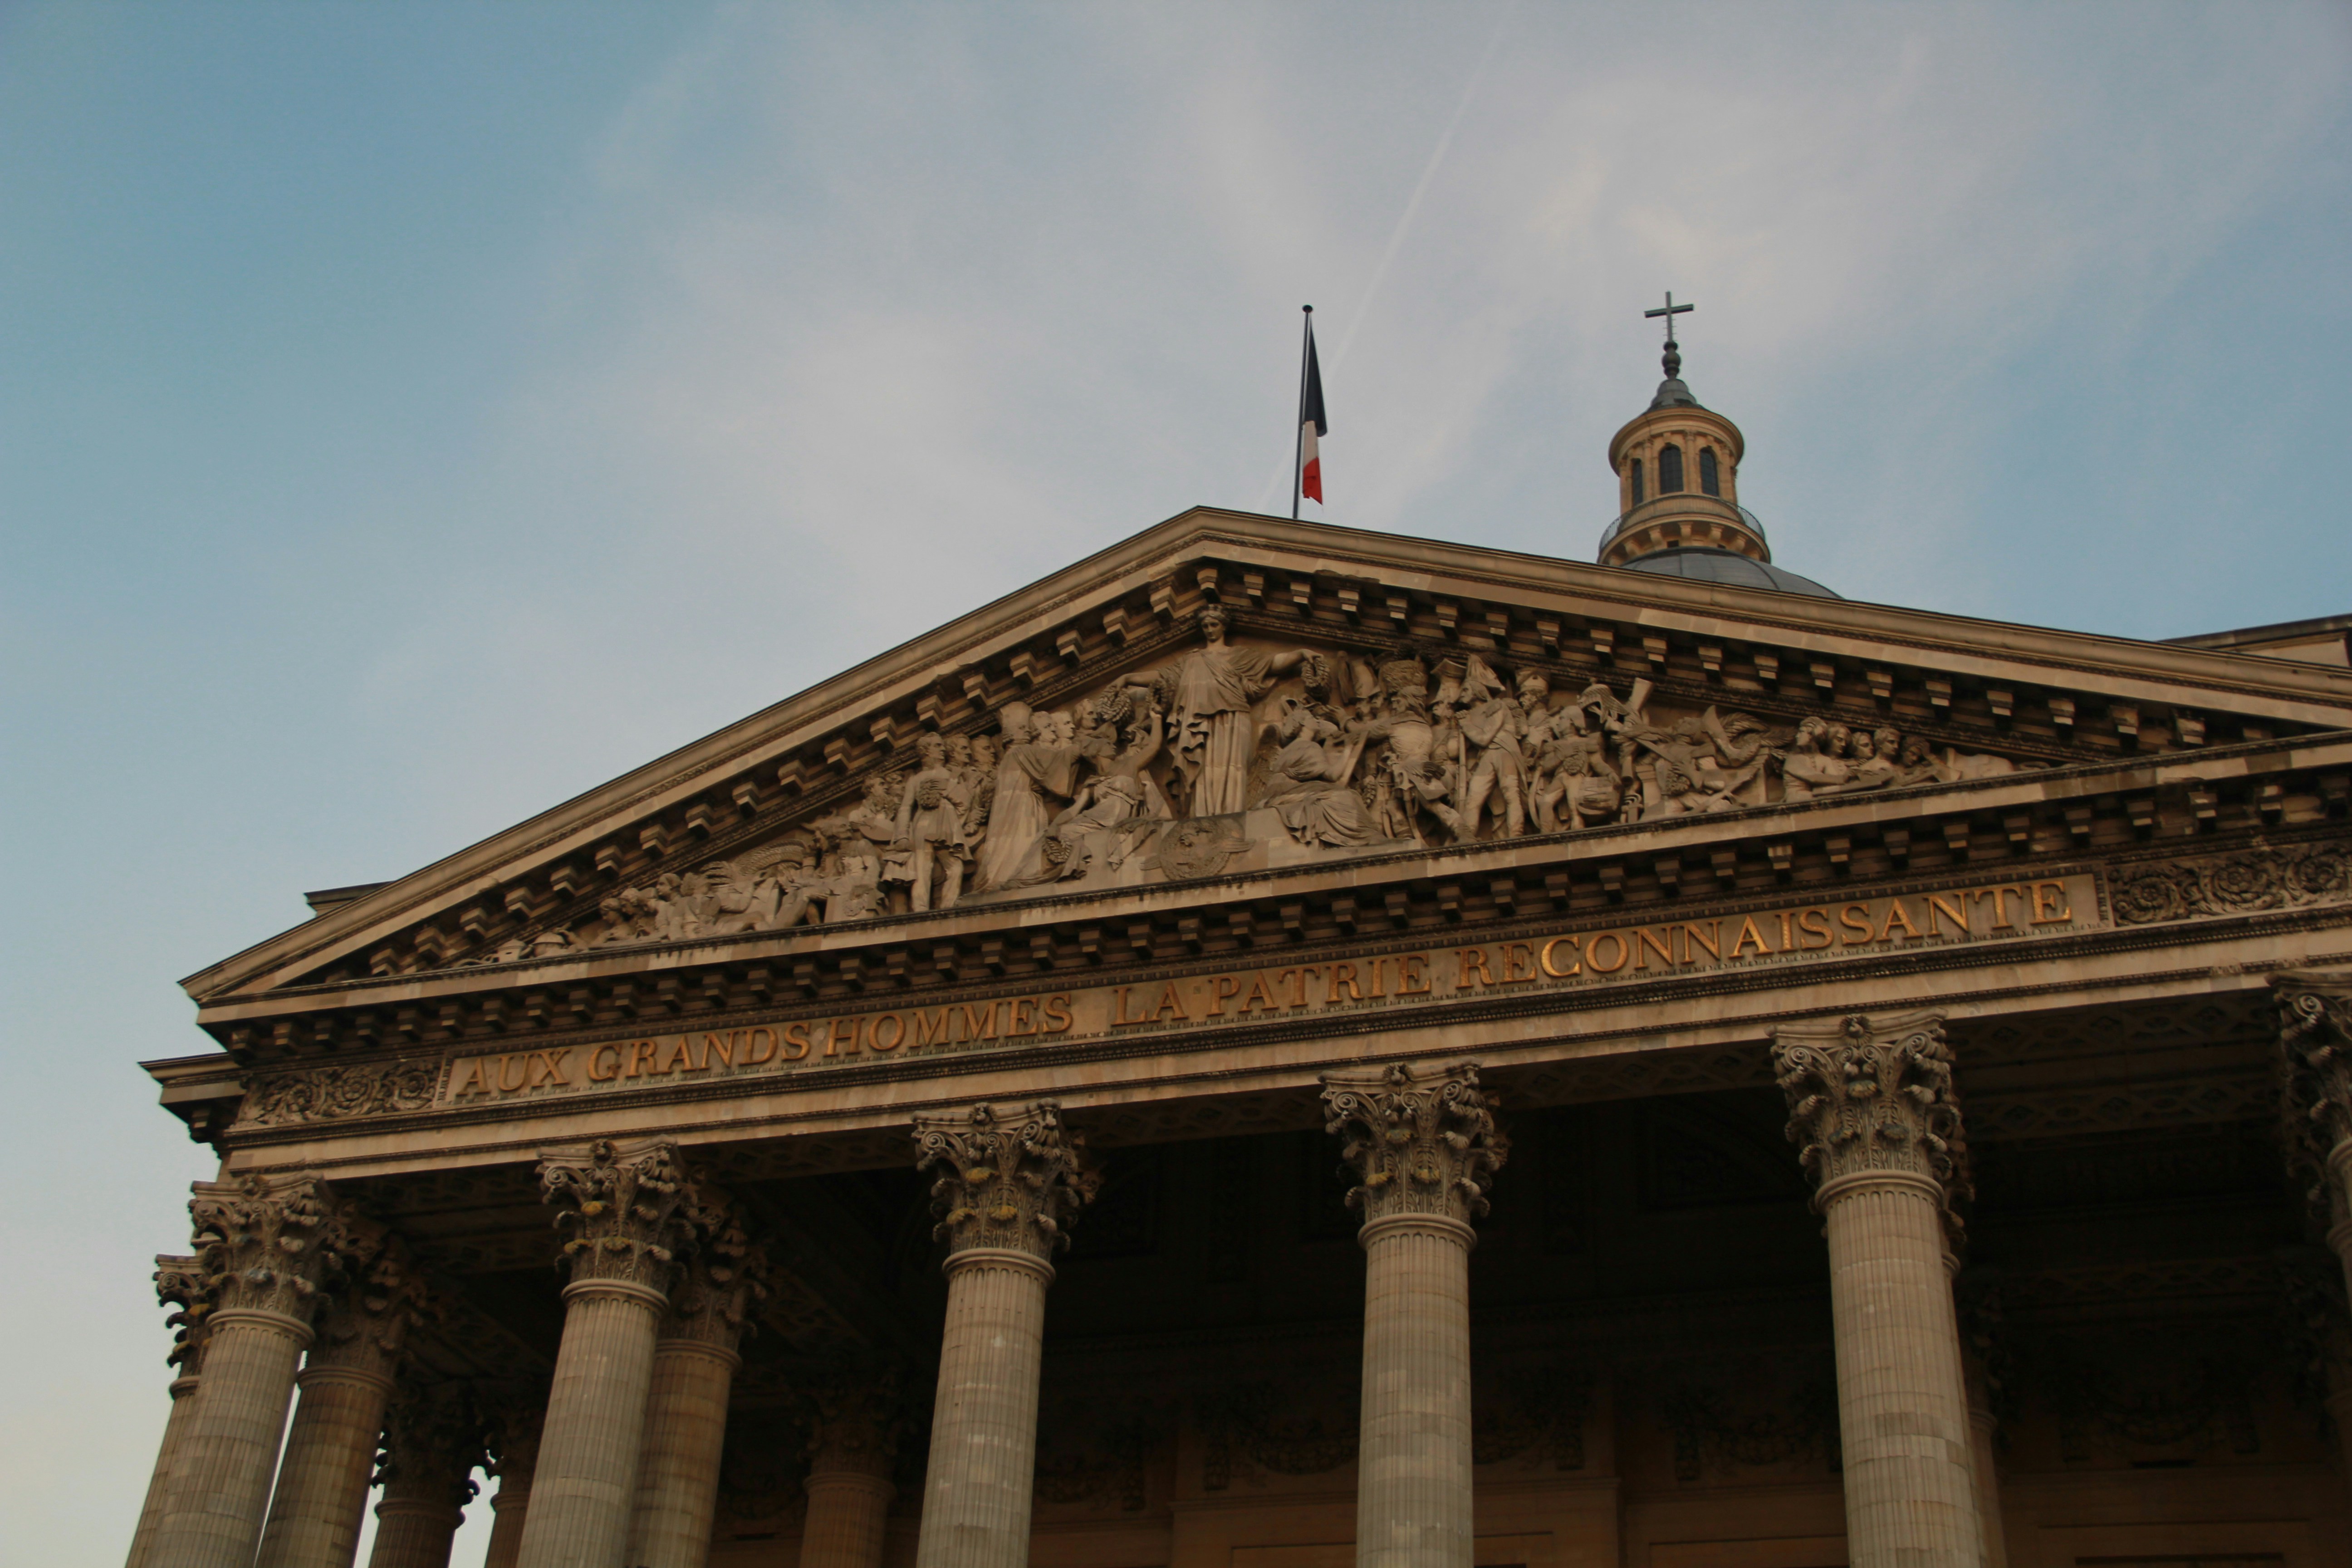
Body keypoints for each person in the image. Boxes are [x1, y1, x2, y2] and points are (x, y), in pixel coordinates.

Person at [1162, 605, 1315, 817]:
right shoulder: (1191, 660)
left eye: (1214, 624)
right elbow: (1163, 680)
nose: (1209, 630)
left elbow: (1272, 664)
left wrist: (1300, 653)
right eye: (1205, 626)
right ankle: (1202, 818)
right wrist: (1127, 678)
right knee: (1203, 772)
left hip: (1234, 719)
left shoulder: (1239, 656)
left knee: (1233, 770)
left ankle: (1232, 817)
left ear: (1223, 626)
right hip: (1198, 722)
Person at [1261, 701, 1382, 848]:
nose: (1317, 721)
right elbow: (1332, 775)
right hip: (1288, 791)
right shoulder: (1309, 747)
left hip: (1280, 791)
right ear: (1302, 723)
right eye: (1312, 718)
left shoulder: (1295, 746)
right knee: (1347, 797)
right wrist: (1348, 749)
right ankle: (1367, 837)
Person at [892, 732, 973, 911]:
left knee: (956, 867)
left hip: (948, 825)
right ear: (925, 751)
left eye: (942, 746)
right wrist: (902, 836)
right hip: (924, 823)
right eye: (937, 746)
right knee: (922, 869)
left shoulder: (952, 775)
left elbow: (965, 802)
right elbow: (905, 808)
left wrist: (949, 788)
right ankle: (920, 909)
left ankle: (948, 908)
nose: (943, 749)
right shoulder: (915, 780)